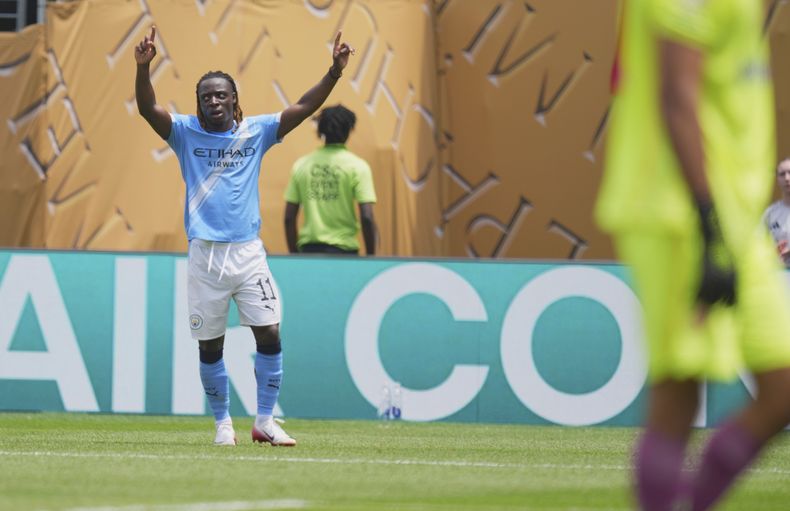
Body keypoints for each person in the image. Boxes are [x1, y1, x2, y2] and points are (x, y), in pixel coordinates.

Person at [596, 1, 790, 510]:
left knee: (782, 388)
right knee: (679, 393)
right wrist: (709, 225)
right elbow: (676, 96)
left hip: (737, 217)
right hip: (679, 211)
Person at [134, 26, 354, 446]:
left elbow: (305, 106)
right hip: (206, 256)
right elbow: (147, 109)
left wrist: (334, 72)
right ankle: (222, 424)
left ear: (235, 100)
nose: (213, 101)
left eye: (221, 94)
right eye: (206, 97)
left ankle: (265, 421)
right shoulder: (184, 133)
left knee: (269, 332)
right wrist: (144, 69)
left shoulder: (256, 132)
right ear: (198, 105)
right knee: (211, 346)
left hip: (249, 253)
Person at [283, 104, 376, 256]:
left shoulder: (302, 165)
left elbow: (289, 218)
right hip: (345, 253)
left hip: (308, 253)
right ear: (349, 130)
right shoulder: (358, 167)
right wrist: (371, 257)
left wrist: (295, 256)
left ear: (320, 131)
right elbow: (367, 216)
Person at [762, 158, 790, 267]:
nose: (787, 178)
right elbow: (758, 245)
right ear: (777, 179)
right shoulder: (770, 213)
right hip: (778, 275)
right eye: (782, 174)